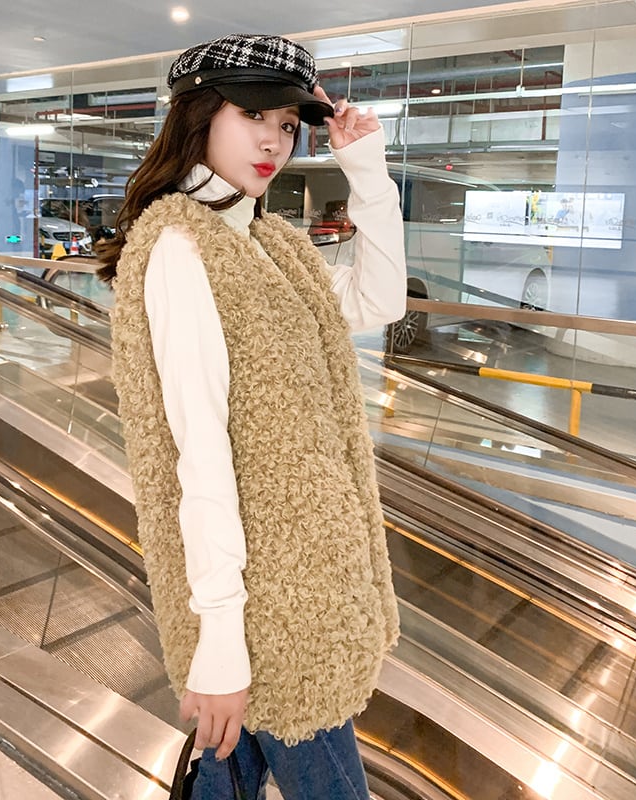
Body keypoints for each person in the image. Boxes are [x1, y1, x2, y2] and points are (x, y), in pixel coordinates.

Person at [98, 33, 406, 800]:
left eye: (288, 124)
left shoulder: (269, 242)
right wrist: (221, 643)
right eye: (253, 116)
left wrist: (365, 170)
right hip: (272, 613)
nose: (274, 140)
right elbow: (195, 454)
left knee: (226, 775)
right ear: (200, 114)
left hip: (304, 586)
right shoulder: (180, 247)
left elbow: (380, 298)